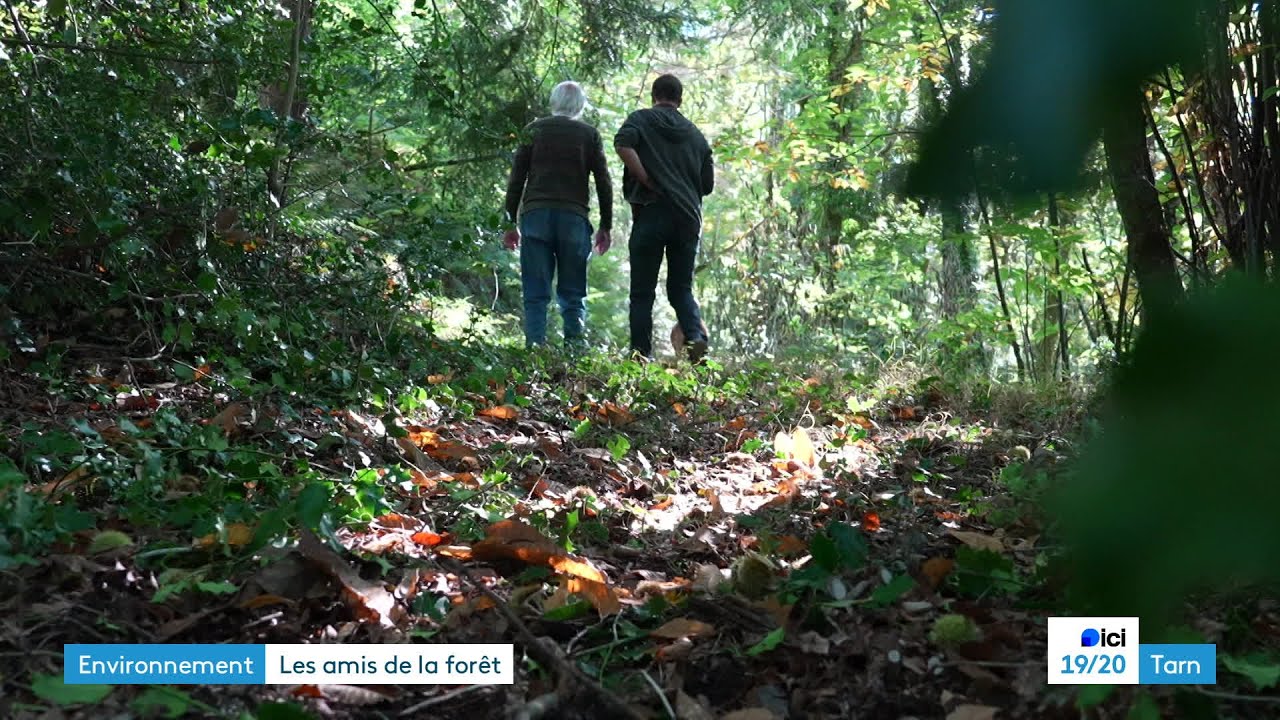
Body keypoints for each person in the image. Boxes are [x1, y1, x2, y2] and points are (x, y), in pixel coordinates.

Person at [502, 81, 613, 348]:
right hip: (574, 219)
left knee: (536, 292)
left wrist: (509, 222)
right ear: (580, 105)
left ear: (554, 102)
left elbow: (517, 179)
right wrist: (605, 226)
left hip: (536, 217)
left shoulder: (533, 130)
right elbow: (603, 181)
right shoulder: (589, 135)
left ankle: (534, 350)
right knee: (573, 294)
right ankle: (574, 353)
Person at [614, 74, 714, 362]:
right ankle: (695, 338)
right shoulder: (696, 135)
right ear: (679, 100)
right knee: (680, 288)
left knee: (642, 292)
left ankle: (640, 355)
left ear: (653, 95)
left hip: (652, 212)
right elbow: (706, 185)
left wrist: (645, 178)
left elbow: (622, 144)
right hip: (687, 218)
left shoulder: (641, 119)